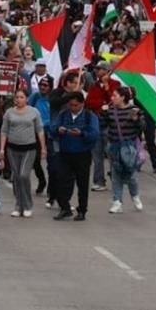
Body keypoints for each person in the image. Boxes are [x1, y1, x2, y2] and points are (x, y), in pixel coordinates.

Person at [51, 92, 100, 221]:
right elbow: (52, 128)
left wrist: (82, 133)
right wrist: (58, 130)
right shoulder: (63, 115)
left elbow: (94, 134)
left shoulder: (90, 116)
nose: (73, 107)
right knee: (61, 181)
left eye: (75, 105)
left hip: (82, 154)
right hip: (65, 153)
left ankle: (82, 210)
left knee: (82, 183)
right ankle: (65, 207)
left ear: (82, 104)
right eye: (70, 105)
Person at [0, 89, 47, 218]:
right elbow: (4, 131)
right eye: (17, 97)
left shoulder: (34, 112)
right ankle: (18, 204)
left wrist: (43, 148)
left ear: (26, 98)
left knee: (24, 175)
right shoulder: (9, 113)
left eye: (21, 97)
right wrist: (2, 149)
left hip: (29, 148)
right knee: (16, 177)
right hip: (12, 149)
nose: (19, 99)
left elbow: (40, 130)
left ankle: (27, 205)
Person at [106, 86, 145, 213]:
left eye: (115, 96)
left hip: (129, 147)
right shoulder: (110, 110)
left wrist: (137, 119)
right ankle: (117, 202)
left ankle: (135, 196)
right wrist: (101, 113)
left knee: (131, 175)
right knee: (115, 174)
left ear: (123, 97)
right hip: (114, 146)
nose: (112, 98)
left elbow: (143, 127)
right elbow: (103, 124)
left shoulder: (134, 110)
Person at [85, 60, 121, 191]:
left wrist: (106, 89)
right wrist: (101, 104)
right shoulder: (94, 86)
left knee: (111, 152)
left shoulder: (115, 84)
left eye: (100, 69)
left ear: (107, 71)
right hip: (97, 122)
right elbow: (89, 102)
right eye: (96, 69)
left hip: (110, 123)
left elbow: (114, 101)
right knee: (97, 153)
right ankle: (99, 180)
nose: (97, 71)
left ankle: (116, 179)